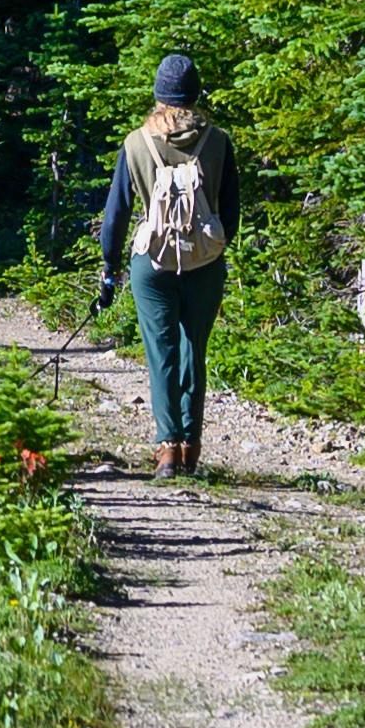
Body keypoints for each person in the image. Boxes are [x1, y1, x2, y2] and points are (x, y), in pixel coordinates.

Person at [94, 50, 248, 477]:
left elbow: (115, 216)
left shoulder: (136, 143)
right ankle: (190, 449)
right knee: (192, 351)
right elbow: (231, 211)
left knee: (160, 352)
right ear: (195, 94)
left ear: (158, 95)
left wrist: (110, 270)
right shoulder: (217, 141)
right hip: (204, 261)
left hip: (152, 264)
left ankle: (166, 449)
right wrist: (211, 248)